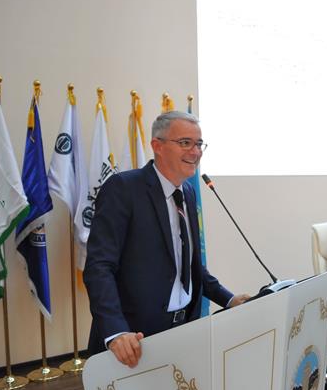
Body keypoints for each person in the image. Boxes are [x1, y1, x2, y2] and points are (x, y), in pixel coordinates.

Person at [84, 111, 250, 368]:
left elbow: (190, 266)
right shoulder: (123, 189)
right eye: (185, 143)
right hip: (134, 339)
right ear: (157, 146)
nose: (195, 152)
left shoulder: (188, 192)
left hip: (183, 332)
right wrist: (116, 331)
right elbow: (99, 267)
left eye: (199, 144)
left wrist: (229, 300)